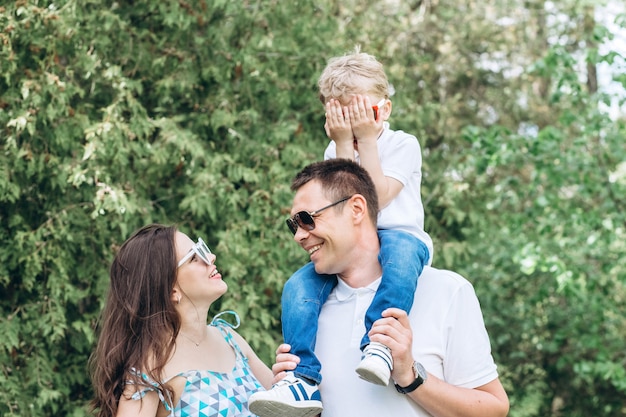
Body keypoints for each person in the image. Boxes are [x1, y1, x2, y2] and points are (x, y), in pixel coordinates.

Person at [249, 49, 433, 416]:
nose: (354, 124)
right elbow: (342, 210)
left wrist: (364, 139)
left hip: (400, 237)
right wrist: (343, 144)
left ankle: (378, 344)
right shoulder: (334, 148)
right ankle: (302, 376)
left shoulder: (403, 144)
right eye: (343, 116)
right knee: (298, 286)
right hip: (349, 249)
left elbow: (370, 200)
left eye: (362, 114)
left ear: (385, 109)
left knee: (397, 266)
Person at [257, 159, 509, 417]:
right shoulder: (305, 312)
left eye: (306, 219)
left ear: (356, 209)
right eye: (293, 225)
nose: (299, 235)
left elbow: (494, 409)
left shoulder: (445, 290)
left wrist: (410, 375)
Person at [90, 224, 274, 417]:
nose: (211, 257)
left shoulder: (230, 339)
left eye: (202, 249)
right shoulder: (150, 370)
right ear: (170, 289)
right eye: (194, 257)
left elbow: (289, 407)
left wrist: (287, 376)